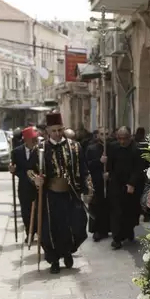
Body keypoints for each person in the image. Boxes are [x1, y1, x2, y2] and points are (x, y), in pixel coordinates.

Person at [29, 113, 93, 274]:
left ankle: (68, 252)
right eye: (54, 131)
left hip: (71, 194)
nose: (57, 134)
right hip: (50, 197)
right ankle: (54, 260)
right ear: (48, 131)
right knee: (51, 229)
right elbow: (30, 170)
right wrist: (36, 179)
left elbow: (84, 169)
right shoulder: (40, 149)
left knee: (76, 225)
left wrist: (88, 185)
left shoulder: (75, 147)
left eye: (60, 130)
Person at [105, 126, 144, 249]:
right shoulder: (113, 147)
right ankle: (116, 238)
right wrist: (108, 173)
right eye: (120, 138)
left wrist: (132, 183)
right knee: (116, 211)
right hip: (116, 184)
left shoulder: (136, 149)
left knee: (130, 211)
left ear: (130, 137)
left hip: (131, 185)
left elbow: (139, 168)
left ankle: (128, 231)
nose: (122, 141)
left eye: (125, 139)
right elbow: (110, 165)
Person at [9, 126, 39, 243]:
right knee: (26, 212)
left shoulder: (40, 150)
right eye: (33, 140)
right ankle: (29, 233)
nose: (35, 142)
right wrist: (13, 169)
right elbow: (15, 168)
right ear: (26, 140)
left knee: (38, 211)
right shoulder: (16, 152)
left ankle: (38, 231)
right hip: (24, 186)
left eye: (36, 140)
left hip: (38, 186)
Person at [85, 128, 110, 242]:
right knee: (96, 206)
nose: (104, 136)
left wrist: (109, 173)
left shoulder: (111, 147)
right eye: (101, 134)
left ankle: (106, 229)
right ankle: (96, 230)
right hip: (96, 181)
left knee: (107, 206)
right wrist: (99, 161)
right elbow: (87, 164)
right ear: (97, 135)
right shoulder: (91, 148)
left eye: (106, 134)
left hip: (109, 181)